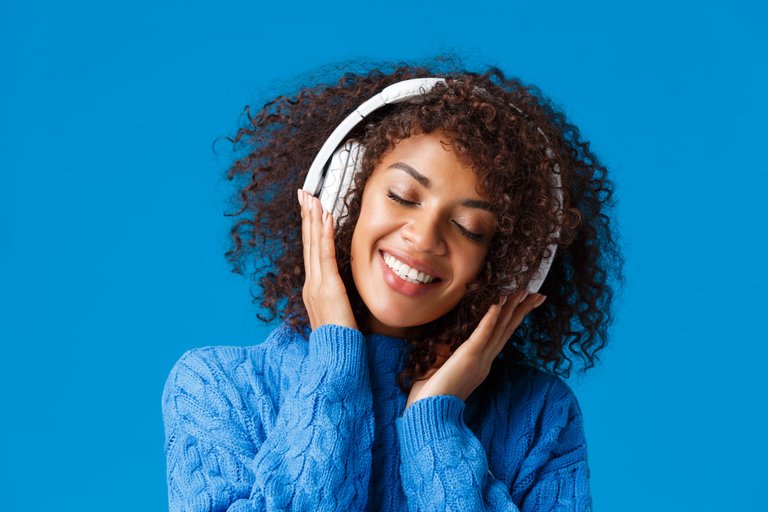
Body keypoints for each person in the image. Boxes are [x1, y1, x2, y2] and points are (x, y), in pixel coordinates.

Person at [162, 58, 622, 511]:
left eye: (468, 226)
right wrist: (334, 368)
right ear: (345, 195)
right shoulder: (215, 388)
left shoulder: (542, 416)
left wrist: (435, 425)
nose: (423, 238)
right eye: (403, 197)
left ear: (507, 266)